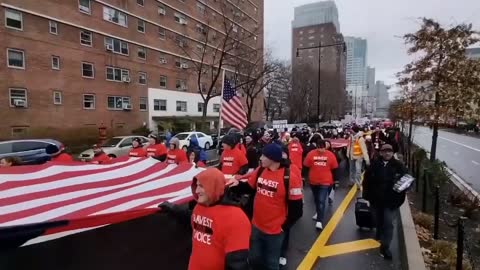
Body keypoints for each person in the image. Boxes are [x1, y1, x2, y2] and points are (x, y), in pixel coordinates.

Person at [226, 144, 303, 270]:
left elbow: (297, 210)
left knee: (271, 263)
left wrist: (283, 227)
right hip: (256, 226)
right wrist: (234, 185)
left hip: (275, 231)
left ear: (273, 159)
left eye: (264, 156)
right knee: (253, 259)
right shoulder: (260, 171)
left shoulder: (290, 178)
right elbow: (249, 188)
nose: (260, 158)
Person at [160, 168, 251, 270]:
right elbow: (195, 220)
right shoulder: (200, 207)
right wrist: (173, 209)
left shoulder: (236, 218)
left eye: (201, 186)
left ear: (213, 187)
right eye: (197, 185)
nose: (197, 190)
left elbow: (238, 263)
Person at [363, 144, 408, 260]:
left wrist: (404, 188)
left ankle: (385, 247)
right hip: (376, 200)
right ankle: (379, 230)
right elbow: (366, 181)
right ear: (381, 153)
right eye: (385, 151)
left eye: (389, 151)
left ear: (392, 153)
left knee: (388, 223)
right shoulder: (374, 165)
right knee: (377, 220)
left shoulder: (399, 166)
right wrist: (366, 197)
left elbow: (407, 180)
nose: (387, 153)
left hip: (391, 202)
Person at [303, 139, 338, 230]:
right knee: (316, 199)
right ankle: (318, 212)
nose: (320, 150)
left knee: (321, 200)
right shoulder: (311, 154)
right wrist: (303, 177)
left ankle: (319, 221)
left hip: (325, 181)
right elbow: (306, 166)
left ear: (325, 147)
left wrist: (335, 180)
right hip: (313, 181)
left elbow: (334, 169)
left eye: (322, 148)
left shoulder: (330, 155)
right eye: (319, 148)